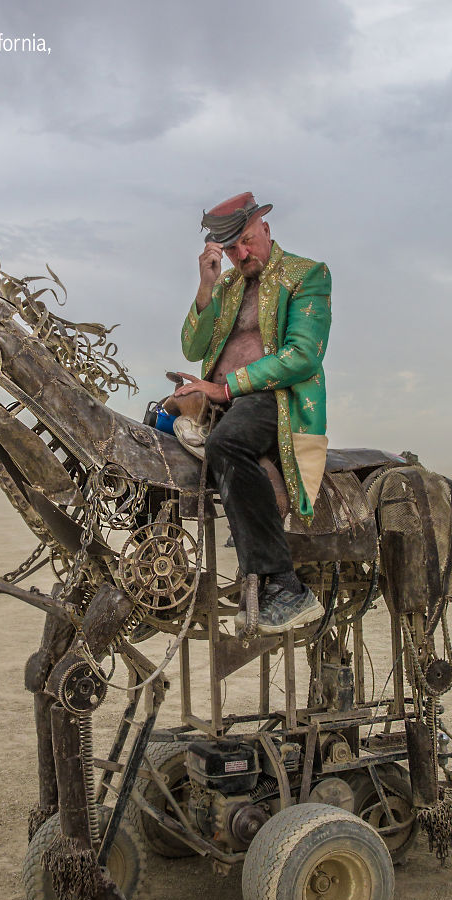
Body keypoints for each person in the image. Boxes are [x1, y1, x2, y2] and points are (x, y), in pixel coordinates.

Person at [172, 191, 332, 634]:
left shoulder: (307, 276)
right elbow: (193, 346)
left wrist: (226, 387)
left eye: (247, 241)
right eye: (230, 249)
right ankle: (156, 570)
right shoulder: (226, 287)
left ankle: (285, 586)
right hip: (217, 400)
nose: (242, 254)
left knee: (228, 444)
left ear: (265, 228)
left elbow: (303, 356)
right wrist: (205, 286)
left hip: (274, 401)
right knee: (151, 433)